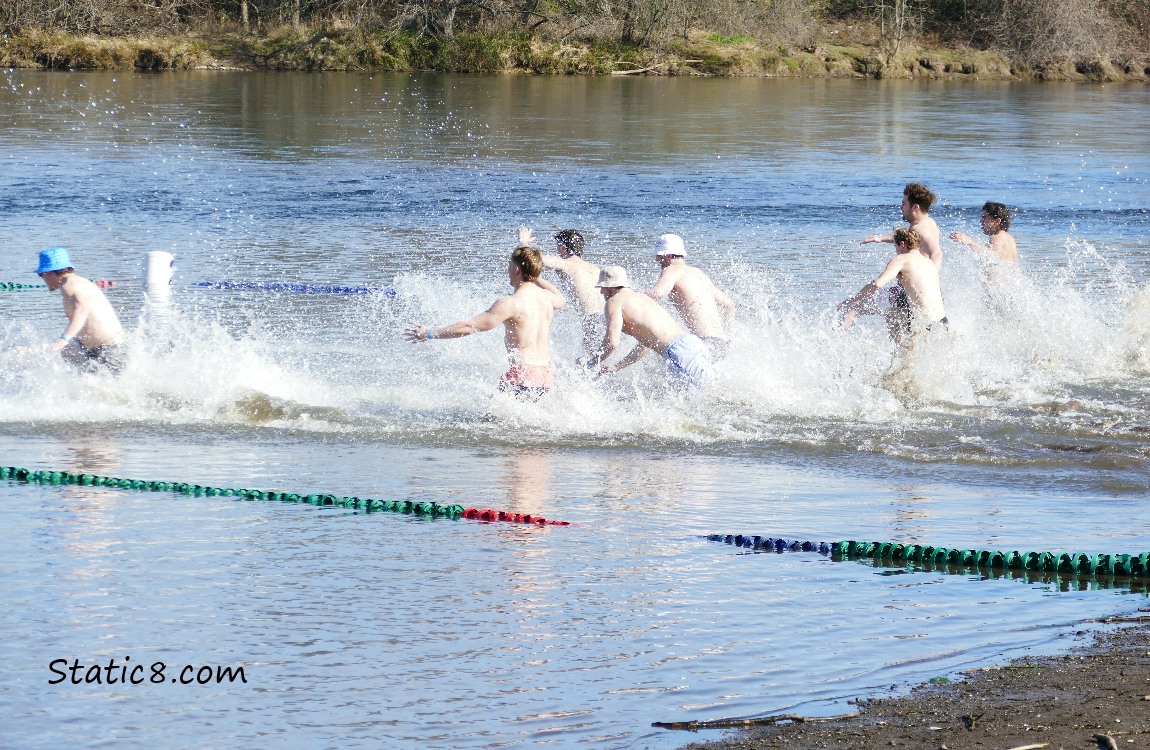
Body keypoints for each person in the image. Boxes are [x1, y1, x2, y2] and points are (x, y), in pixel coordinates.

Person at [404, 239, 566, 399]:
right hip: (545, 377)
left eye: (509, 266)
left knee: (491, 421)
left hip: (523, 375)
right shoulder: (547, 299)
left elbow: (470, 326)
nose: (507, 269)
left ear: (517, 270)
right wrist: (533, 274)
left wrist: (430, 333)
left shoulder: (511, 303)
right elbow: (561, 298)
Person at [590, 266, 715, 391]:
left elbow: (612, 343)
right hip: (693, 344)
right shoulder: (642, 298)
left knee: (702, 399)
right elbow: (646, 344)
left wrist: (591, 363)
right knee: (708, 394)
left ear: (609, 287)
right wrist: (618, 366)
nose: (601, 292)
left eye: (602, 288)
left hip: (678, 352)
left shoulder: (613, 302)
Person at [838, 227, 947, 344]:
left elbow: (877, 284)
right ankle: (901, 351)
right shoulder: (929, 263)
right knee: (891, 314)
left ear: (902, 244)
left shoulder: (901, 259)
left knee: (855, 307)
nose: (896, 250)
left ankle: (836, 339)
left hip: (922, 324)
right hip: (942, 323)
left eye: (895, 246)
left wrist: (853, 299)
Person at [35, 247, 126, 374]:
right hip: (112, 347)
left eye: (41, 274)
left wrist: (64, 338)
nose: (42, 278)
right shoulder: (80, 282)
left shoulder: (70, 287)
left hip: (107, 351)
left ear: (49, 272)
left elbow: (82, 310)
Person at [646, 233, 736, 358]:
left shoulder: (671, 270)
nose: (657, 260)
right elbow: (729, 305)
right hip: (722, 343)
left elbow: (657, 294)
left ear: (668, 255)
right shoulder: (698, 273)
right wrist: (728, 334)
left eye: (658, 256)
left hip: (704, 344)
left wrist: (630, 297)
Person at [532, 227, 604, 354]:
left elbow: (533, 259)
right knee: (600, 356)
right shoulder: (594, 268)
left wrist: (524, 243)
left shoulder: (565, 263)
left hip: (591, 319)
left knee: (587, 361)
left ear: (562, 247)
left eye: (557, 246)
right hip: (607, 315)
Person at [863, 183, 943, 269]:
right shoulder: (929, 222)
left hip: (918, 280)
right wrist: (881, 238)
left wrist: (933, 276)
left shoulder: (919, 228)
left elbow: (937, 253)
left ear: (915, 207)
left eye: (904, 204)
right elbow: (908, 237)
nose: (901, 207)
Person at [950, 201, 1019, 268]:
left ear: (997, 221)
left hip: (996, 280)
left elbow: (994, 256)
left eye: (984, 217)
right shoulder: (1010, 238)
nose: (981, 221)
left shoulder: (996, 237)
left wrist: (968, 241)